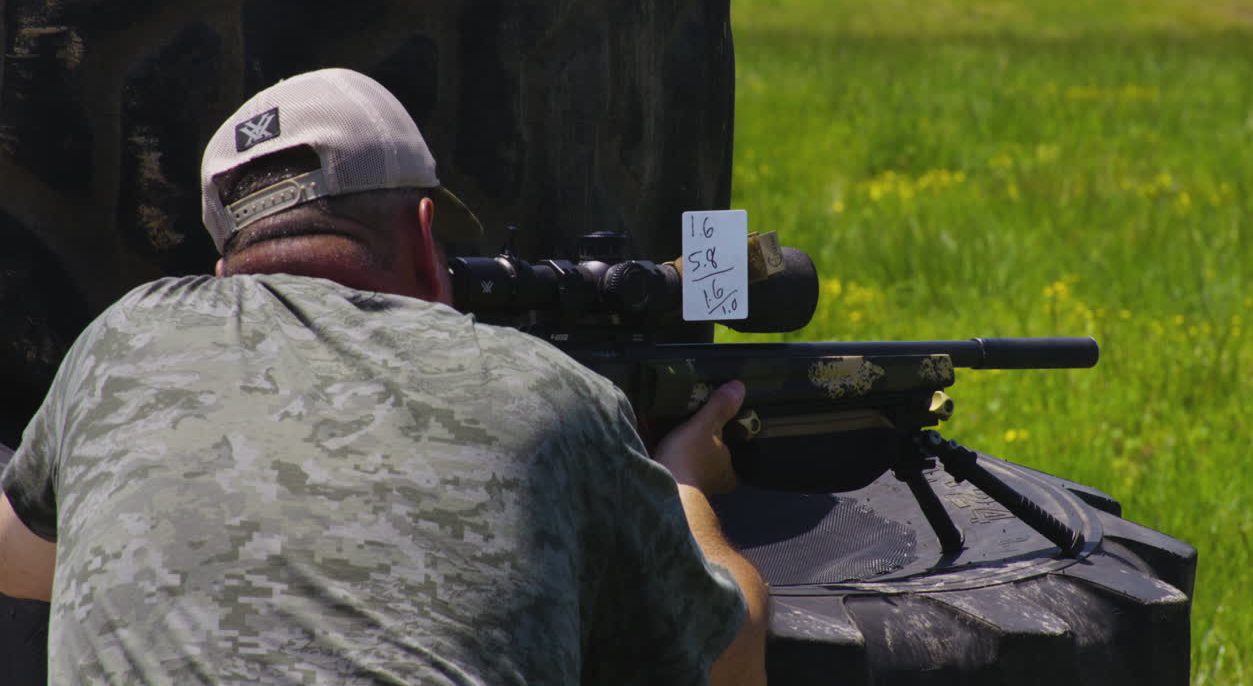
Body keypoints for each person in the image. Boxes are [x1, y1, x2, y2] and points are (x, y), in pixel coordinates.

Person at [0, 68, 767, 684]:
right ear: (427, 239)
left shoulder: (121, 342)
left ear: (225, 265)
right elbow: (723, 654)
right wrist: (683, 484)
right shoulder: (550, 396)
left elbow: (19, 551)